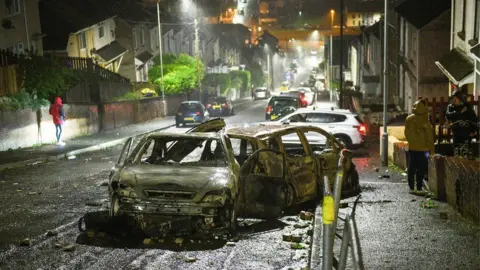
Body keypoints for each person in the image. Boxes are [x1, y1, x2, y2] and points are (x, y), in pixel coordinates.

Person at [404, 99, 434, 195]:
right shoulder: (426, 119)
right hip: (423, 149)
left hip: (412, 148)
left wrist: (412, 141)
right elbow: (430, 137)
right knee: (422, 168)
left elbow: (406, 133)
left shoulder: (409, 118)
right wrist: (432, 151)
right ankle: (419, 187)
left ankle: (411, 188)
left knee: (411, 167)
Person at [445, 90, 478, 159]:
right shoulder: (451, 107)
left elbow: (474, 119)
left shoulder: (467, 107)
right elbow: (448, 115)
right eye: (453, 99)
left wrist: (474, 130)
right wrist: (459, 112)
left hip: (466, 134)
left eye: (455, 99)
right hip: (456, 133)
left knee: (465, 153)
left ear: (460, 99)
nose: (454, 101)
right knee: (456, 152)